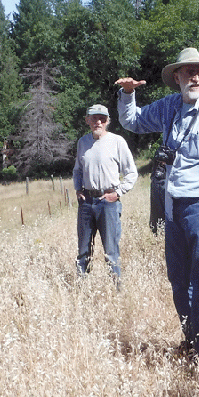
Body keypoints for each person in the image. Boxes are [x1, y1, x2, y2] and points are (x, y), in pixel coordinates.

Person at [116, 47, 199, 361]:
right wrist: (128, 94)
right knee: (178, 277)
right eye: (189, 72)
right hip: (172, 204)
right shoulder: (169, 106)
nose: (196, 77)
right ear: (177, 77)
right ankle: (189, 336)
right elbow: (133, 121)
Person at [72, 104, 138, 279]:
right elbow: (78, 170)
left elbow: (131, 173)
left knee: (111, 251)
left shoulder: (117, 142)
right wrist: (78, 190)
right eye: (94, 118)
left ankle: (116, 292)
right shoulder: (82, 142)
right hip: (86, 201)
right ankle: (81, 291)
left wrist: (118, 193)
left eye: (102, 119)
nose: (98, 122)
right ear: (87, 120)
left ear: (108, 121)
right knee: (83, 251)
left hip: (108, 203)